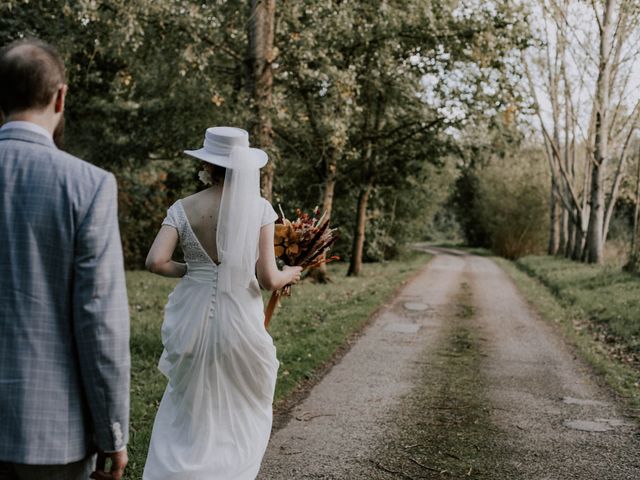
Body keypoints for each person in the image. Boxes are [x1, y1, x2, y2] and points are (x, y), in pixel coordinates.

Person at [0, 38, 130, 480]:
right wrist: (113, 433)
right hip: (53, 434)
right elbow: (101, 322)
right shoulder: (87, 185)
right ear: (60, 96)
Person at [143, 126, 301, 480]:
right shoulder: (259, 210)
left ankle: (179, 468)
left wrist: (191, 269)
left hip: (192, 311)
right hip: (239, 315)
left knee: (189, 399)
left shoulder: (183, 208)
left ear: (207, 165)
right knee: (240, 398)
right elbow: (268, 279)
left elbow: (155, 261)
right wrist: (292, 271)